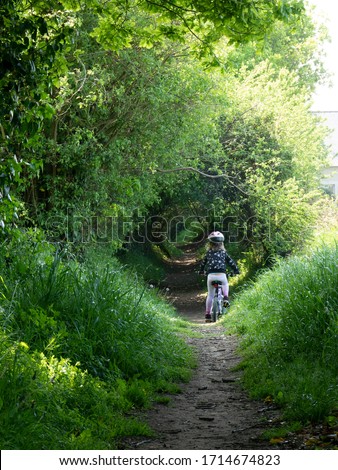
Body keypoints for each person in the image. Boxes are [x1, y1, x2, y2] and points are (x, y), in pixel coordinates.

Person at [199, 231, 240, 322]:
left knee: (210, 295)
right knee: (225, 288)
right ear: (222, 243)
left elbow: (203, 264)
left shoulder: (208, 253)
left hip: (211, 276)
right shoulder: (223, 253)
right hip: (222, 275)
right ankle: (225, 299)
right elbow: (231, 263)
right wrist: (236, 270)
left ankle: (208, 314)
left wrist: (201, 271)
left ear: (210, 243)